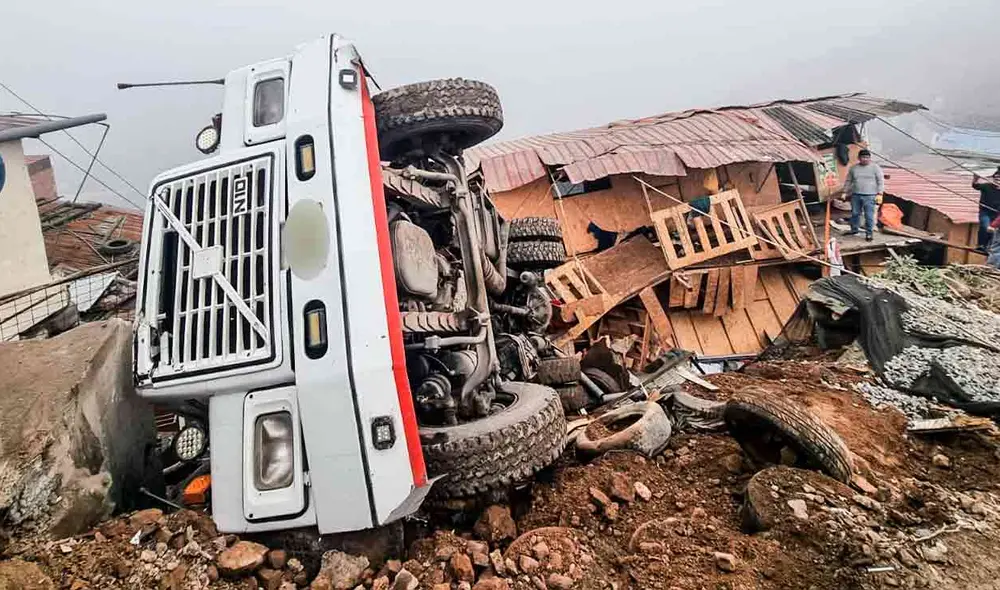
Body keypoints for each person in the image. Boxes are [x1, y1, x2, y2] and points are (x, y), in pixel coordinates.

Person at [842, 149, 884, 241]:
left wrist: (880, 193)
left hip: (870, 196)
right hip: (856, 195)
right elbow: (848, 180)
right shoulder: (854, 168)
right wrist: (844, 192)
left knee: (869, 215)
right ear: (859, 158)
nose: (865, 159)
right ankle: (854, 230)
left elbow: (880, 181)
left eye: (867, 157)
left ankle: (869, 233)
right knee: (855, 213)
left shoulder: (875, 168)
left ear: (870, 158)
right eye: (863, 157)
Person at [972, 167, 1000, 250]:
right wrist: (975, 178)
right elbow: (975, 186)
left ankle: (988, 247)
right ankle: (981, 245)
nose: (998, 180)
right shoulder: (987, 186)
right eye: (996, 178)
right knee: (985, 226)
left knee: (993, 231)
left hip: (997, 214)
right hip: (985, 211)